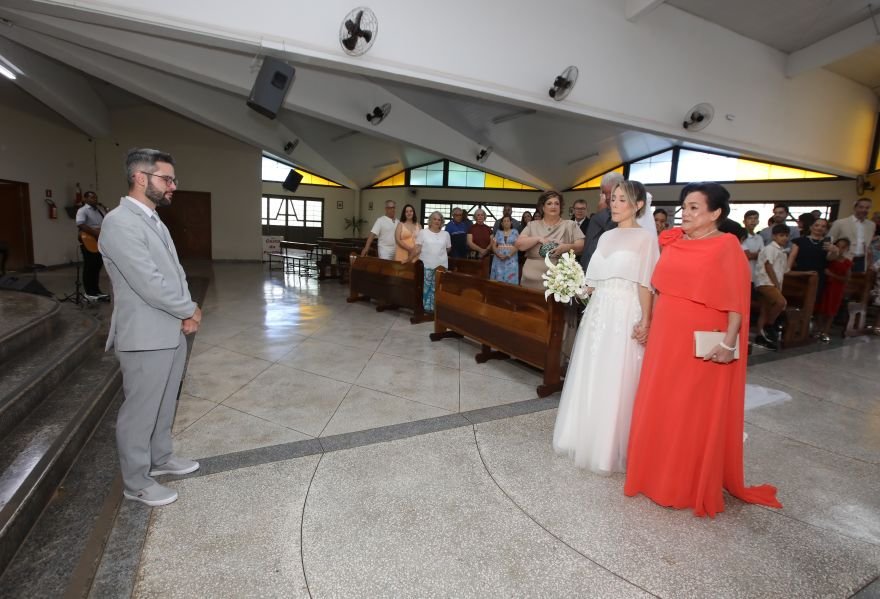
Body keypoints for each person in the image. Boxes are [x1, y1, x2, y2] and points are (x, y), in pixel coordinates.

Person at [624, 182, 781, 517]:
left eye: (695, 207)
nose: (686, 212)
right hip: (666, 335)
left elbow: (738, 299)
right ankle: (652, 476)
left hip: (700, 337)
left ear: (715, 214)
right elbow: (657, 287)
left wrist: (728, 341)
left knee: (687, 409)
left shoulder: (726, 246)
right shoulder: (674, 241)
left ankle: (680, 483)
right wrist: (648, 322)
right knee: (660, 402)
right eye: (685, 205)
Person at [98, 148, 202, 508]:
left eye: (173, 179)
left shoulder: (153, 219)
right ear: (141, 178)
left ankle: (160, 458)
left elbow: (175, 274)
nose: (173, 185)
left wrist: (185, 312)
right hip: (144, 335)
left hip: (168, 330)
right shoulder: (119, 222)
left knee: (163, 404)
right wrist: (189, 308)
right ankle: (137, 481)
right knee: (139, 412)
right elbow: (149, 281)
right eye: (167, 179)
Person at [553, 181, 658, 473]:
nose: (613, 203)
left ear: (638, 205)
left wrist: (646, 320)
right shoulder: (606, 237)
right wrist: (575, 285)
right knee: (592, 369)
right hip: (599, 311)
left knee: (616, 373)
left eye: (621, 199)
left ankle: (608, 447)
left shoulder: (645, 239)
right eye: (612, 198)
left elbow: (645, 283)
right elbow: (594, 280)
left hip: (625, 311)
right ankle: (581, 434)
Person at [515, 190, 585, 290]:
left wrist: (566, 247)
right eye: (549, 203)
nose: (553, 206)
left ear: (560, 207)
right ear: (543, 207)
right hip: (530, 280)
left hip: (559, 282)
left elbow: (581, 246)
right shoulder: (532, 225)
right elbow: (519, 245)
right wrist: (538, 238)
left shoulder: (570, 225)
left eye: (557, 203)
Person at [754, 224, 790, 346]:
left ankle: (760, 335)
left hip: (772, 283)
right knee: (781, 302)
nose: (784, 238)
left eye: (786, 236)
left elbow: (785, 270)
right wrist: (776, 285)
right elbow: (768, 266)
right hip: (766, 282)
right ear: (774, 236)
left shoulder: (782, 252)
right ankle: (769, 325)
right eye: (781, 235)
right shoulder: (770, 249)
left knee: (765, 310)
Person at [788, 217, 838, 306]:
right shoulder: (800, 241)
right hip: (800, 274)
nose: (819, 228)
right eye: (817, 225)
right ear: (811, 227)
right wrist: (787, 270)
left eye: (823, 226)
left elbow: (830, 258)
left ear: (826, 230)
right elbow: (792, 256)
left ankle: (809, 318)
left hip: (819, 275)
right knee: (796, 300)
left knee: (813, 301)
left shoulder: (827, 243)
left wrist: (835, 251)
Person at [581, 172, 625, 270]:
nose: (608, 197)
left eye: (611, 192)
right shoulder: (598, 214)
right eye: (605, 193)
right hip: (587, 267)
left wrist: (602, 213)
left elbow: (612, 232)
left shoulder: (624, 214)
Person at [410, 211, 451, 313]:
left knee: (438, 288)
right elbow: (417, 248)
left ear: (441, 222)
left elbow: (448, 249)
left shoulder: (446, 234)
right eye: (435, 219)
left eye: (439, 219)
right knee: (426, 288)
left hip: (441, 266)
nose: (437, 221)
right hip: (426, 264)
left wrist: (439, 254)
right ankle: (427, 309)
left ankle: (438, 309)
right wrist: (409, 259)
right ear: (430, 220)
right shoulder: (423, 232)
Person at [815, 238, 853, 340]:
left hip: (837, 288)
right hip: (826, 286)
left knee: (831, 311)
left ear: (847, 249)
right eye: (838, 246)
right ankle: (819, 330)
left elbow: (847, 279)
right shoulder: (830, 259)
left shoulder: (847, 262)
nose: (840, 249)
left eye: (843, 247)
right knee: (821, 309)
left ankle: (825, 331)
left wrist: (832, 275)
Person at [75, 190, 109, 301]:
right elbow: (81, 224)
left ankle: (96, 291)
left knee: (97, 265)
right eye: (92, 197)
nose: (95, 199)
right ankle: (89, 292)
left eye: (95, 197)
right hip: (89, 240)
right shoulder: (83, 210)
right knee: (89, 266)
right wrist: (95, 233)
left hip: (99, 241)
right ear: (85, 199)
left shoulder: (99, 211)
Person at [828, 198, 876, 273]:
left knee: (857, 282)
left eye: (867, 208)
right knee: (841, 282)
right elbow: (829, 241)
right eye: (861, 207)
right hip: (842, 259)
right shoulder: (840, 223)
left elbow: (868, 244)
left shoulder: (872, 225)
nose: (864, 210)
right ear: (855, 207)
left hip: (862, 260)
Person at [489, 215, 519, 284]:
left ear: (511, 222)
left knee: (510, 278)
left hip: (511, 259)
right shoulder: (498, 232)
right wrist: (498, 254)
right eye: (504, 221)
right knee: (498, 279)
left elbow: (517, 245)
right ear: (501, 223)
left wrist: (508, 255)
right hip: (498, 258)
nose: (506, 222)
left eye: (508, 221)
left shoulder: (515, 232)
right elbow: (493, 245)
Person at [741, 210, 763, 283]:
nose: (753, 221)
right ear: (744, 221)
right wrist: (758, 253)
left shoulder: (759, 237)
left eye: (755, 218)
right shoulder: (741, 236)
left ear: (758, 221)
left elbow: (763, 255)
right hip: (743, 275)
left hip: (756, 276)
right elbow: (748, 256)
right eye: (750, 218)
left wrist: (756, 254)